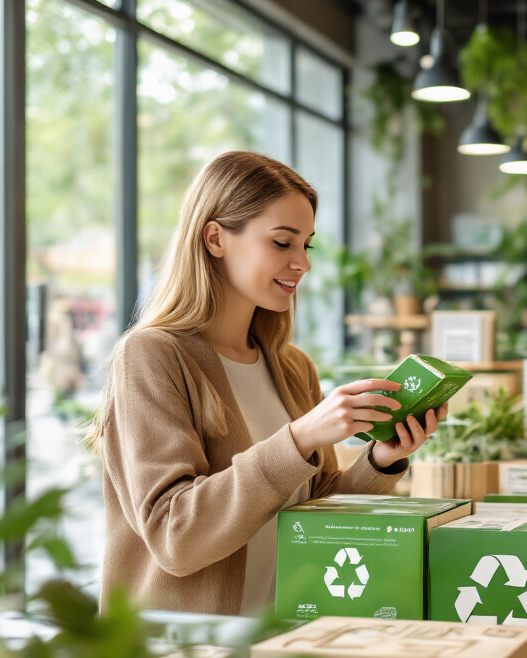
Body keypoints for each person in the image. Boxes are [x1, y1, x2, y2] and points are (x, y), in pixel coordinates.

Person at [92, 151, 445, 616]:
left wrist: (379, 460)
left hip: (275, 645)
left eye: (307, 245)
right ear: (215, 238)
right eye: (282, 242)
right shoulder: (152, 356)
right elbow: (175, 536)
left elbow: (308, 515)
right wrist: (300, 438)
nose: (303, 263)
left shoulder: (292, 367)